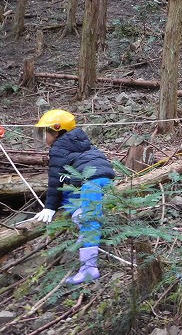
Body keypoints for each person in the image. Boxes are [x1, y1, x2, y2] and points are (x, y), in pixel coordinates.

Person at [32, 109, 115, 285]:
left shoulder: (59, 148)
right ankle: (82, 226)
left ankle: (89, 268)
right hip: (103, 178)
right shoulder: (79, 142)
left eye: (45, 132)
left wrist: (50, 207)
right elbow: (66, 179)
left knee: (88, 219)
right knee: (79, 210)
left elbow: (55, 181)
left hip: (90, 180)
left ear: (56, 131)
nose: (44, 137)